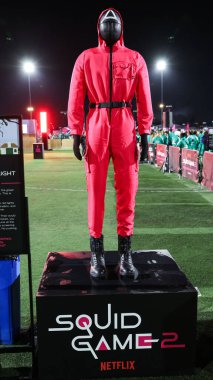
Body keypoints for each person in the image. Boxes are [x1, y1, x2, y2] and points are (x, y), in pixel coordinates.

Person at [67, 8, 153, 279]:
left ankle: (126, 255)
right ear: (99, 28)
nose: (110, 26)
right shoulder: (86, 58)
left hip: (126, 124)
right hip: (96, 123)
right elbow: (75, 95)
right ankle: (97, 255)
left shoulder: (135, 58)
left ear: (121, 28)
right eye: (106, 23)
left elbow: (144, 96)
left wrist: (145, 134)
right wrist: (76, 133)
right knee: (96, 191)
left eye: (114, 23)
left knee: (127, 190)